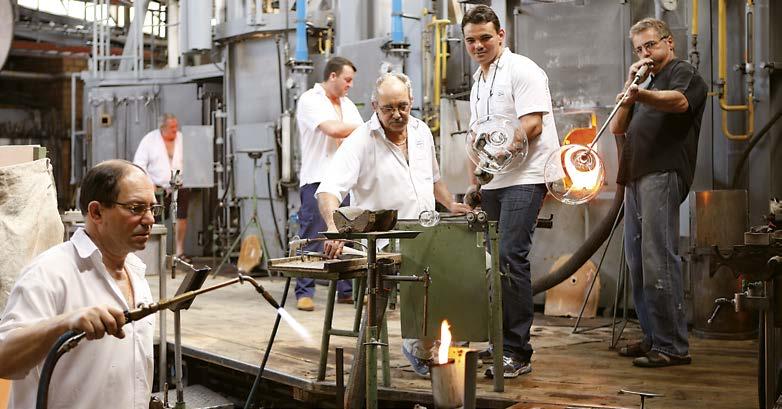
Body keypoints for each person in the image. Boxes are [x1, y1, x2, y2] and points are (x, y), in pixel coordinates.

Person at [316, 72, 470, 376]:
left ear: (411, 101)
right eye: (388, 108)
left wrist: (450, 203)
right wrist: (335, 227)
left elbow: (434, 177)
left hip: (429, 231)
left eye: (403, 106)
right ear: (375, 105)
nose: (397, 114)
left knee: (482, 265)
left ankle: (453, 340)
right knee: (428, 271)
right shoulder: (361, 139)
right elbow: (329, 190)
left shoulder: (422, 131)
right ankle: (419, 346)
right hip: (386, 242)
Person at [0, 160, 158, 409]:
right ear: (96, 212)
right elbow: (4, 359)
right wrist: (64, 322)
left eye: (152, 208)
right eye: (136, 208)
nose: (149, 219)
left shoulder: (136, 274)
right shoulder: (50, 272)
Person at [461, 5, 561, 379]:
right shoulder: (478, 80)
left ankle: (518, 352)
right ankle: (499, 343)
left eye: (485, 37)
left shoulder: (523, 69)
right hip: (496, 180)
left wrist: (504, 151)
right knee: (494, 265)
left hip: (526, 176)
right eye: (471, 40)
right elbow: (479, 137)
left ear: (501, 35)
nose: (478, 45)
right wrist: (477, 179)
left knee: (510, 257)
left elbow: (532, 124)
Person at [609, 18, 707, 368]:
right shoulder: (643, 82)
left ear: (669, 42)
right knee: (637, 262)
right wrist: (630, 87)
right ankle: (653, 336)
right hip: (636, 176)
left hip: (663, 174)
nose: (645, 54)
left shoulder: (684, 72)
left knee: (657, 258)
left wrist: (642, 93)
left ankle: (672, 346)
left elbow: (679, 103)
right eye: (638, 49)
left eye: (649, 46)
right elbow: (618, 128)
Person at [294, 56, 364, 312]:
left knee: (346, 234)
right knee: (312, 235)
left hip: (344, 180)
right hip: (316, 178)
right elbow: (333, 129)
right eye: (347, 79)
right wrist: (366, 127)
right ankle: (304, 291)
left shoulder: (347, 105)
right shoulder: (310, 99)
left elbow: (357, 138)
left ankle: (346, 291)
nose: (350, 85)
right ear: (332, 76)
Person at [133, 113, 188, 259]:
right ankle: (154, 254)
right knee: (154, 218)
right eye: (171, 127)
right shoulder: (150, 140)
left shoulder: (181, 139)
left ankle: (179, 251)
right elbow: (139, 163)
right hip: (157, 188)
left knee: (181, 216)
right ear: (162, 127)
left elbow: (190, 160)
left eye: (176, 126)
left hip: (179, 185)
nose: (175, 130)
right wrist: (147, 182)